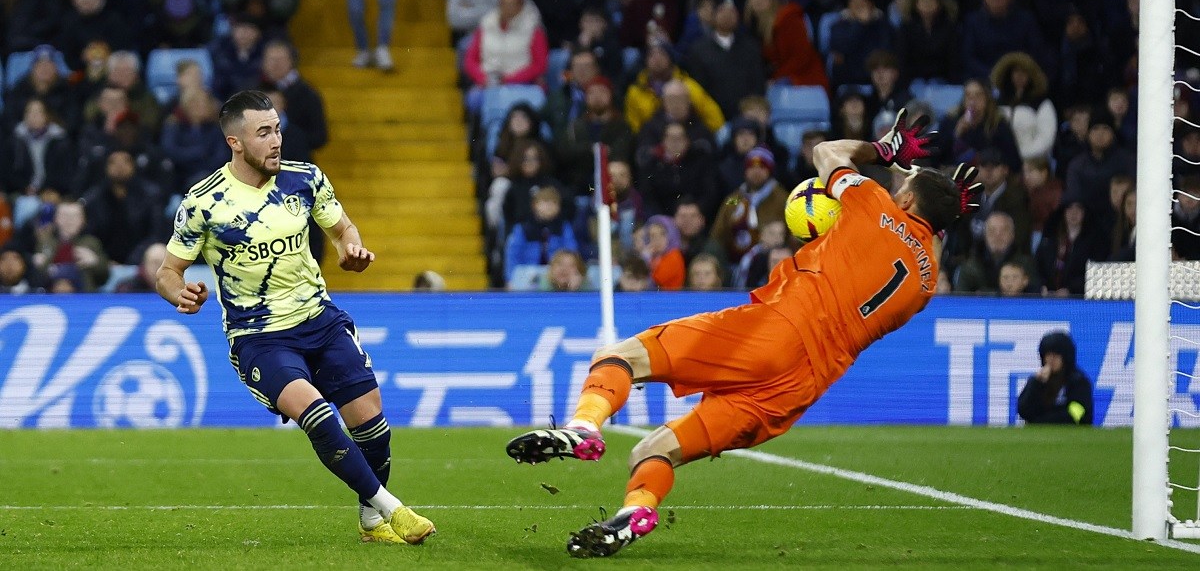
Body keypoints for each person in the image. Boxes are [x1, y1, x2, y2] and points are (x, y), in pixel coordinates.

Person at [505, 109, 978, 557]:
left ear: (908, 200)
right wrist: (943, 205)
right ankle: (636, 512)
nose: (895, 187)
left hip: (776, 329)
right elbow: (921, 238)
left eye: (903, 186)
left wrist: (883, 149)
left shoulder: (871, 205)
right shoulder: (926, 282)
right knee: (656, 450)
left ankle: (583, 428)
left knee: (623, 357)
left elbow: (827, 153)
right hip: (802, 386)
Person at [155, 90, 435, 544]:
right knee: (318, 416)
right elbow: (167, 271)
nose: (276, 140)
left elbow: (342, 227)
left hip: (319, 320)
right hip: (259, 337)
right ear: (236, 142)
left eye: (278, 128)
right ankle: (393, 510)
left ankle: (369, 521)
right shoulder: (204, 203)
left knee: (373, 426)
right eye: (263, 132)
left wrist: (350, 248)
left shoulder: (304, 179)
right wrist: (179, 294)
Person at [1017, 331, 1094, 425]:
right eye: (1048, 355)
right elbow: (1023, 411)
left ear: (1066, 357)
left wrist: (1039, 421)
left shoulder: (1079, 382)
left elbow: (1074, 415)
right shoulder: (1038, 381)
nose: (1051, 359)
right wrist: (1036, 384)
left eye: (1056, 355)